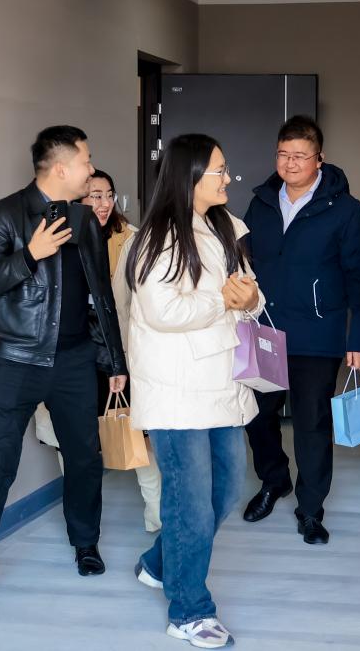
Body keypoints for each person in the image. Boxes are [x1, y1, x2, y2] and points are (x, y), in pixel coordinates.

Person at [0, 126, 128, 615]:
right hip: (16, 359)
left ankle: (86, 543)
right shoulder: (5, 214)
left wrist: (115, 359)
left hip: (75, 360)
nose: (91, 170)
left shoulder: (85, 219)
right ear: (61, 167)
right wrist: (31, 254)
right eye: (86, 161)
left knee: (85, 458)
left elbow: (101, 296)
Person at [117, 134, 261, 649]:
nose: (228, 178)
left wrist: (248, 298)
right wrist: (224, 301)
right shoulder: (155, 238)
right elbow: (162, 311)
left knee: (226, 491)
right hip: (177, 392)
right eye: (219, 170)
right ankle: (189, 611)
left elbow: (249, 290)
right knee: (191, 505)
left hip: (223, 384)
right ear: (190, 175)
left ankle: (160, 563)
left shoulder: (226, 226)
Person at [240, 115, 360, 544]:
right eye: (283, 154)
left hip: (317, 334)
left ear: (320, 159)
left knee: (311, 424)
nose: (290, 163)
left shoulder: (345, 209)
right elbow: (244, 262)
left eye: (300, 155)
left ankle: (311, 509)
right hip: (264, 328)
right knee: (257, 416)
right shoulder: (261, 202)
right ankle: (274, 479)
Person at [34, 169, 163, 533]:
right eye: (94, 196)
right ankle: (81, 519)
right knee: (70, 437)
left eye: (108, 195)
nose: (104, 203)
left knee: (136, 433)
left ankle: (158, 512)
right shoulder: (58, 238)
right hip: (72, 351)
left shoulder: (132, 240)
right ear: (78, 200)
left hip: (120, 352)